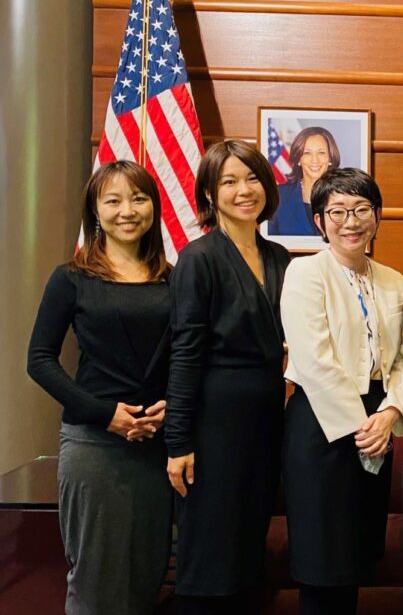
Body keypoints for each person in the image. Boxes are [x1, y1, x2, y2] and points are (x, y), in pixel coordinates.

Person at [27, 161, 173, 615]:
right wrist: (104, 413)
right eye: (113, 200)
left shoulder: (175, 277)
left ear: (154, 206)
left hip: (159, 445)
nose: (127, 210)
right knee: (95, 581)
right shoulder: (71, 277)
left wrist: (173, 406)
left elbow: (189, 354)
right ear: (95, 210)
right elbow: (39, 360)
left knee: (149, 574)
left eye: (138, 198)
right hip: (95, 445)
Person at [279, 168, 403, 615]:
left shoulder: (394, 280)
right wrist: (364, 426)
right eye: (337, 211)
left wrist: (392, 411)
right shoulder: (304, 273)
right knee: (322, 562)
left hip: (378, 419)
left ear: (376, 216)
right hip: (322, 426)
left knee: (357, 556)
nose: (350, 221)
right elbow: (315, 361)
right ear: (319, 221)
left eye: (361, 209)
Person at [164, 140, 291, 613]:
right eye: (229, 181)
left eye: (253, 178)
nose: (244, 190)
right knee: (208, 558)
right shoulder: (198, 257)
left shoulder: (279, 257)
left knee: (246, 554)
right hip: (212, 424)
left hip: (264, 421)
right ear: (209, 194)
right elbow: (184, 354)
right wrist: (177, 443)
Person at [268, 126, 341, 236]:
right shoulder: (278, 195)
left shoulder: (345, 196)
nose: (314, 160)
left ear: (330, 158)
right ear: (299, 159)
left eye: (321, 152)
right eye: (307, 153)